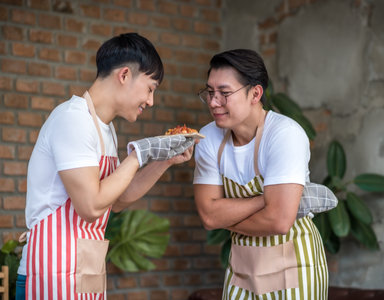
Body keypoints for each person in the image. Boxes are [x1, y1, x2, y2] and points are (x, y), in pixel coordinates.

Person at [16, 33, 196, 300]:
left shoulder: (106, 129)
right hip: (51, 275)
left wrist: (163, 160)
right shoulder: (73, 120)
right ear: (124, 75)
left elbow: (117, 200)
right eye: (150, 88)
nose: (151, 101)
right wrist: (137, 155)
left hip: (86, 273)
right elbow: (90, 207)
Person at [193, 49, 328, 299]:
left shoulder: (284, 135)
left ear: (255, 93)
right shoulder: (208, 138)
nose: (213, 102)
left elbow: (279, 221)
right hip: (243, 268)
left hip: (295, 267)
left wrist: (226, 214)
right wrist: (264, 201)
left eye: (224, 93)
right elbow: (209, 217)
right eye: (210, 92)